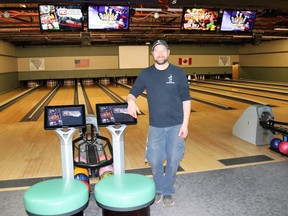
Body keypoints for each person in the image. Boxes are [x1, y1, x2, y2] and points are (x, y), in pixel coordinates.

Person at [126, 40, 191, 207]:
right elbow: (132, 93)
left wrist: (185, 124)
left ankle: (167, 190)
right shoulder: (146, 74)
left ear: (168, 53)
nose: (160, 54)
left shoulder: (178, 72)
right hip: (155, 126)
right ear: (152, 54)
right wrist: (131, 101)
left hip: (176, 125)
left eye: (163, 50)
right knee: (154, 160)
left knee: (173, 159)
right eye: (157, 51)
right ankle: (159, 187)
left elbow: (186, 100)